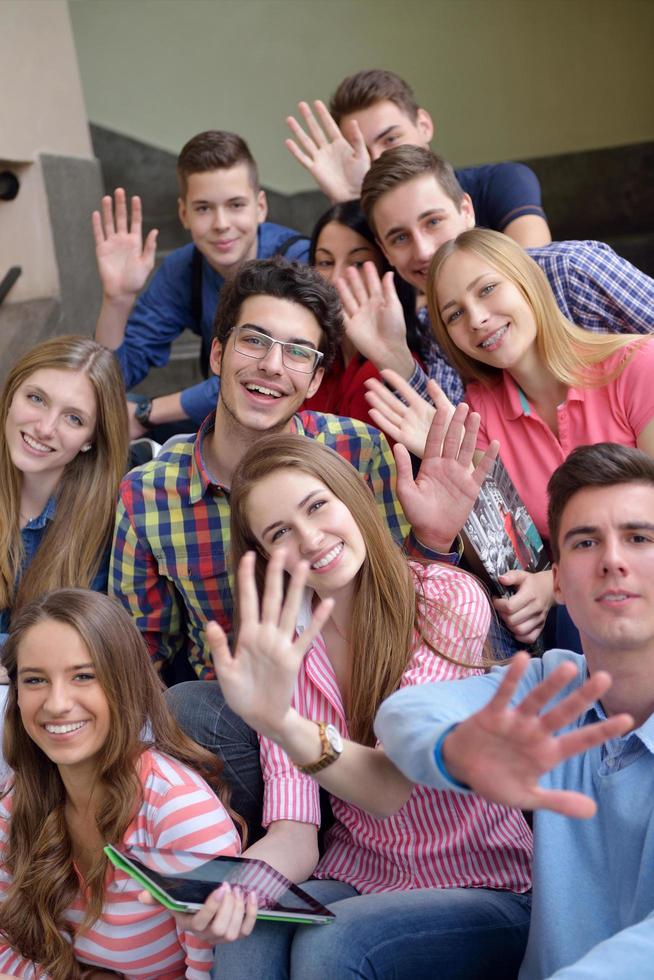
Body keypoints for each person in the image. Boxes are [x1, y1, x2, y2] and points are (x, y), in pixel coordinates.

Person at [202, 425, 532, 980]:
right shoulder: (283, 647)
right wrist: (227, 888)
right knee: (249, 924)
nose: (309, 539)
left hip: (483, 883)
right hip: (362, 872)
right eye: (280, 531)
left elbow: (389, 787)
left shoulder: (443, 599)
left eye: (317, 507)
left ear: (351, 494)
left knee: (333, 946)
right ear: (264, 556)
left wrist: (279, 720)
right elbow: (294, 832)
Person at [375, 442, 654, 978]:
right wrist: (456, 750)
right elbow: (403, 712)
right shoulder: (552, 680)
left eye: (639, 537)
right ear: (557, 584)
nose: (612, 559)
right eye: (585, 541)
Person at [110, 258, 450, 696]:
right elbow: (140, 647)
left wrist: (436, 539)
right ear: (218, 354)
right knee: (188, 705)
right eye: (254, 340)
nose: (272, 365)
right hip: (244, 708)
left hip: (378, 681)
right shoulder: (147, 494)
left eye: (298, 353)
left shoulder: (359, 450)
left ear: (314, 381)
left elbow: (411, 586)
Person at [367, 228, 654, 645]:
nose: (478, 319)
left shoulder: (637, 365)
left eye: (487, 289)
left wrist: (554, 585)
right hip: (582, 623)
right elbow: (515, 556)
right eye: (454, 314)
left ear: (527, 281)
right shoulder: (478, 415)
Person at [0, 587, 252, 980]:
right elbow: (4, 949)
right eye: (35, 681)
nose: (57, 703)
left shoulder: (179, 811)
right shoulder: (15, 801)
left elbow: (214, 972)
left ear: (124, 684)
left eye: (83, 676)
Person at [337, 145, 654, 405]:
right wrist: (392, 356)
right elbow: (462, 447)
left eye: (433, 222)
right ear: (385, 251)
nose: (422, 250)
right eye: (400, 238)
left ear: (466, 211)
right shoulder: (434, 328)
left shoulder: (572, 268)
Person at [92, 131, 309, 437]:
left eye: (235, 205)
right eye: (204, 208)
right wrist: (117, 300)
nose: (221, 224)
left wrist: (147, 413)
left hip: (292, 418)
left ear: (260, 207)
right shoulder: (183, 269)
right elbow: (109, 380)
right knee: (98, 414)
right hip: (225, 415)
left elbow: (257, 376)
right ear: (184, 214)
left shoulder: (298, 260)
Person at [285, 68, 551, 247]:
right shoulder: (369, 220)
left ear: (423, 125)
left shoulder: (501, 182)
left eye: (390, 139)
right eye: (362, 151)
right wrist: (351, 205)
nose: (376, 158)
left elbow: (535, 273)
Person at [0, 335, 129, 648]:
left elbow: (84, 643)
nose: (45, 427)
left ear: (91, 439)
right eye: (36, 398)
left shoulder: (110, 522)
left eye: (74, 418)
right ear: (12, 394)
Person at [302, 199, 425, 426]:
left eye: (358, 263)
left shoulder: (395, 369)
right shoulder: (312, 354)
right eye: (325, 262)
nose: (337, 278)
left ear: (386, 270)